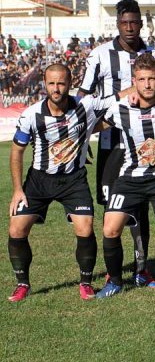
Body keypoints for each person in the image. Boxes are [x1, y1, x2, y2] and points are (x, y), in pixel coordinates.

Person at [78, 0, 155, 288]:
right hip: (110, 143)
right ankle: (113, 270)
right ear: (117, 24)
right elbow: (84, 99)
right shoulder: (100, 54)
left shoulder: (153, 53)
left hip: (143, 143)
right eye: (124, 22)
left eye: (134, 22)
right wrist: (82, 136)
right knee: (112, 208)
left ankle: (142, 269)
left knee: (140, 208)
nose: (129, 27)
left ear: (141, 24)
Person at [7, 64, 109, 302]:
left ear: (70, 83)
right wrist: (17, 190)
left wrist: (136, 89)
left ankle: (85, 283)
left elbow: (115, 103)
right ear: (45, 84)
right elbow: (17, 151)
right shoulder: (31, 114)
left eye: (61, 83)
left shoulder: (85, 105)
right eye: (51, 83)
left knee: (85, 227)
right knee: (16, 229)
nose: (56, 88)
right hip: (39, 180)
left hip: (74, 180)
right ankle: (22, 284)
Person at [95, 54, 155, 299]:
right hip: (130, 178)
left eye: (152, 78)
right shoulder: (120, 109)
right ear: (134, 81)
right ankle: (115, 282)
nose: (147, 84)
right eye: (142, 79)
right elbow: (92, 124)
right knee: (110, 229)